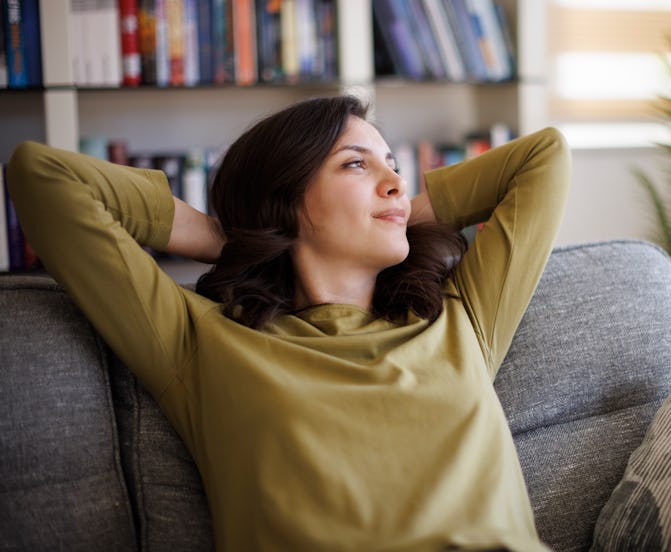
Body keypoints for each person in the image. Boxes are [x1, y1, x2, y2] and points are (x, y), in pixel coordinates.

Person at [8, 95, 571, 551]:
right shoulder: (201, 343)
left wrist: (403, 208)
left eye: (392, 165)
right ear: (284, 198)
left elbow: (543, 157)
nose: (395, 180)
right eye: (356, 163)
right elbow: (43, 175)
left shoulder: (461, 317)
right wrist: (232, 237)